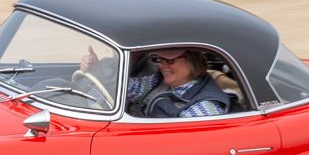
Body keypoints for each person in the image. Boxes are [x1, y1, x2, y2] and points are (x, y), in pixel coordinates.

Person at [80, 44, 233, 118]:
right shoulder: (159, 80)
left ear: (192, 61)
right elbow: (126, 88)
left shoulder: (203, 108)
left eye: (169, 60)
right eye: (159, 59)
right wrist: (97, 70)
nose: (161, 65)